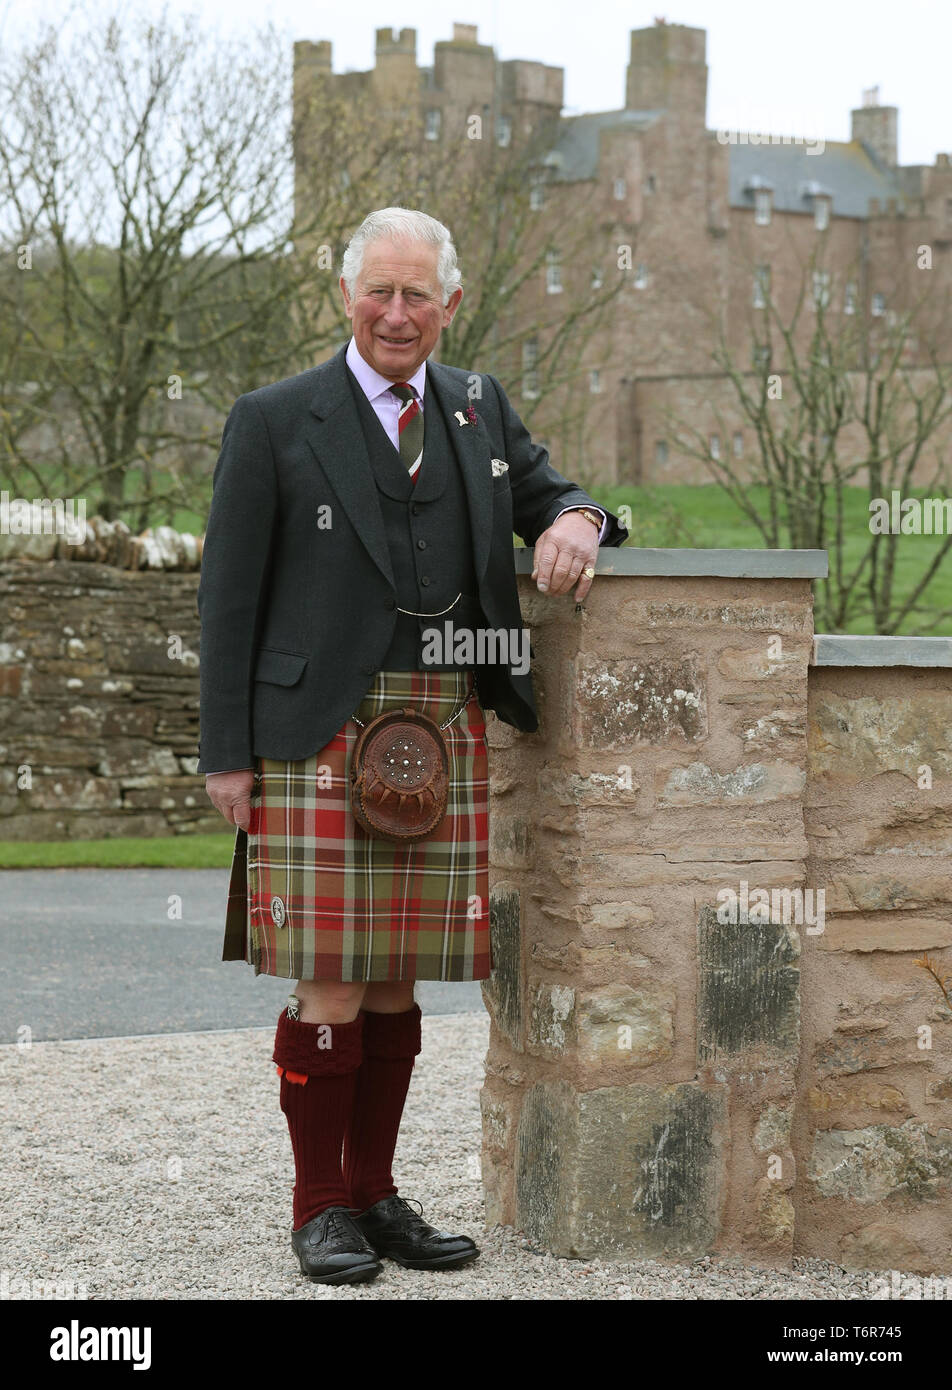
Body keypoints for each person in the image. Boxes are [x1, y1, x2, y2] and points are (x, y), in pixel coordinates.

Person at [197, 206, 628, 1285]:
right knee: (333, 981)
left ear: (451, 303)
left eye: (417, 295)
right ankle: (319, 1208)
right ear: (347, 296)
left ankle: (377, 1193)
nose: (397, 314)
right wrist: (226, 753)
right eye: (378, 292)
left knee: (399, 985)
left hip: (441, 721)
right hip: (315, 732)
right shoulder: (276, 417)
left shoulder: (478, 409)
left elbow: (551, 494)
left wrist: (581, 520)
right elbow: (225, 597)